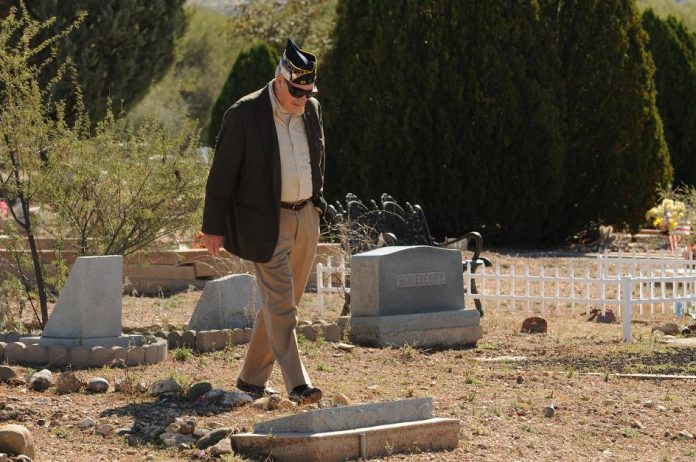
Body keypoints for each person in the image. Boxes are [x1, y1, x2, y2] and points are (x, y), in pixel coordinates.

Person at [201, 38, 326, 405]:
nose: (301, 99)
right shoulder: (244, 115)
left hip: (306, 218)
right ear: (280, 78)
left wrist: (318, 205)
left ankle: (251, 378)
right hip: (265, 223)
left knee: (280, 305)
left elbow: (317, 158)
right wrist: (213, 226)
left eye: (307, 92)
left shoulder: (313, 110)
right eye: (296, 91)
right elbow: (221, 176)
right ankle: (299, 384)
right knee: (282, 306)